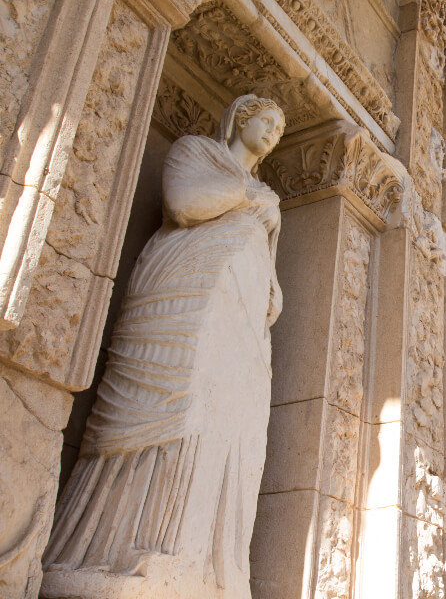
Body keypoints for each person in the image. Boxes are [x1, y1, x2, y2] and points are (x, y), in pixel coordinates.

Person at [41, 95, 286, 599]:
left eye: (281, 131)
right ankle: (119, 548)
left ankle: (196, 560)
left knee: (225, 422)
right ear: (242, 116)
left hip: (238, 324)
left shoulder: (268, 196)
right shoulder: (196, 152)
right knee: (175, 401)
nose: (273, 133)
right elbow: (183, 204)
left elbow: (269, 271)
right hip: (181, 295)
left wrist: (271, 288)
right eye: (268, 121)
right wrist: (247, 197)